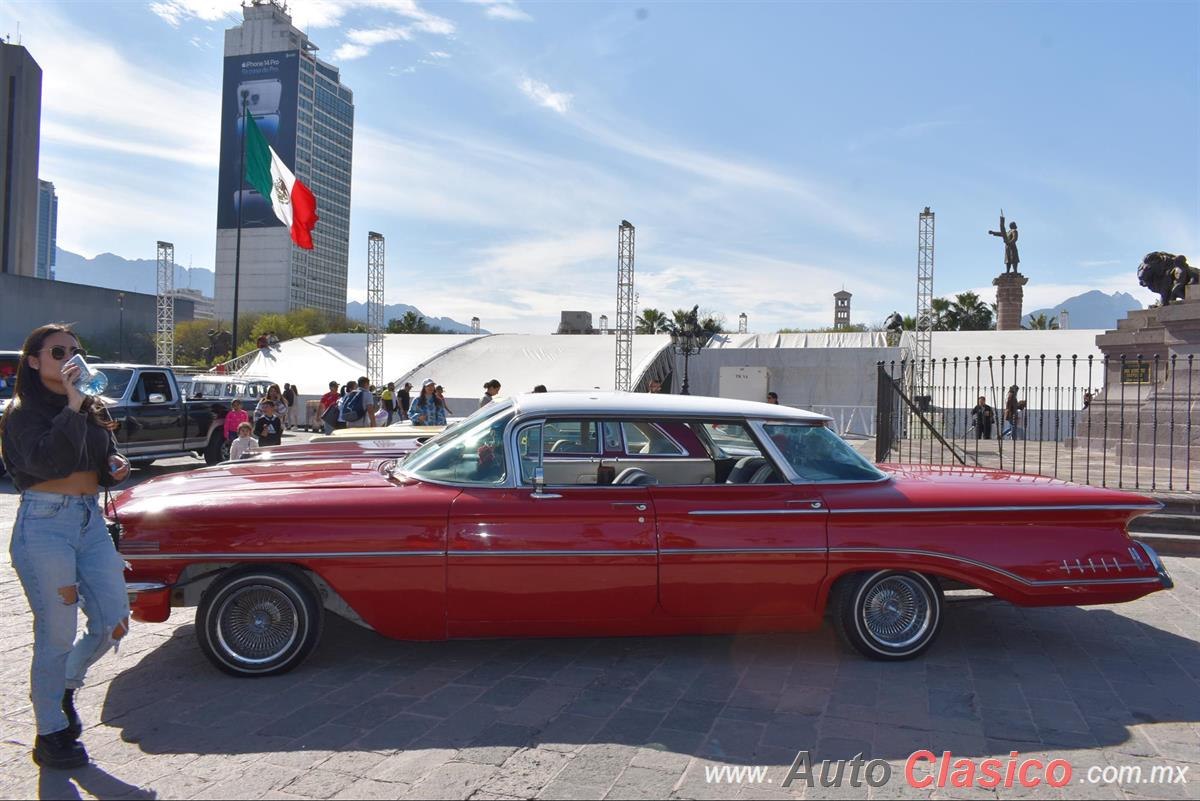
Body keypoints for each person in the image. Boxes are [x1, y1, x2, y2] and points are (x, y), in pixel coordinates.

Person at [0, 324, 131, 769]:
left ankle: (63, 687)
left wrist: (114, 464)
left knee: (114, 621)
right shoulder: (20, 413)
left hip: (90, 520)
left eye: (76, 350)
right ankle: (50, 732)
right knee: (56, 634)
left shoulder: (89, 408)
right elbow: (48, 460)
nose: (70, 359)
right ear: (33, 361)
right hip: (44, 525)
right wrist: (75, 405)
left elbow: (102, 455)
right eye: (58, 351)